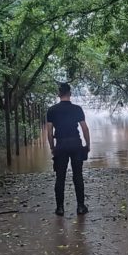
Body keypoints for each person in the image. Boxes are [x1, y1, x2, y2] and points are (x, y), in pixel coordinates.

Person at [46, 83, 90, 216]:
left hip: (61, 145)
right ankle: (81, 207)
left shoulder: (52, 110)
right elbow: (85, 128)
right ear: (70, 94)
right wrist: (87, 145)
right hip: (75, 144)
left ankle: (60, 208)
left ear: (59, 94)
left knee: (60, 177)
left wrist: (52, 147)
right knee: (78, 176)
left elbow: (49, 131)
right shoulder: (77, 109)